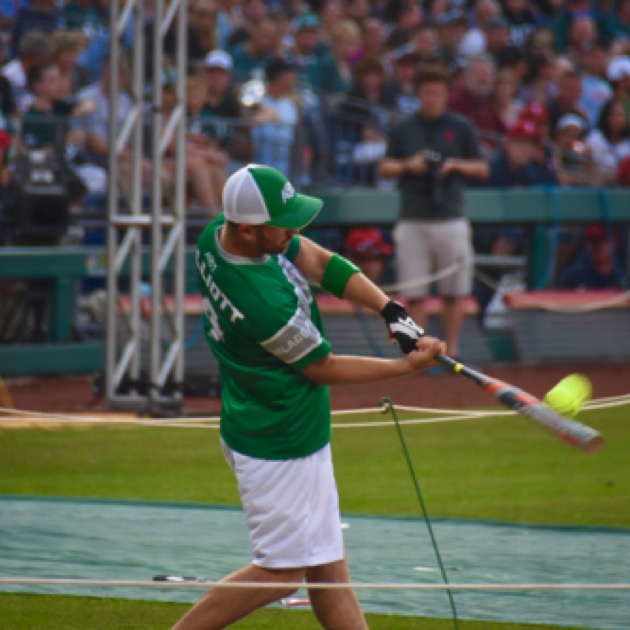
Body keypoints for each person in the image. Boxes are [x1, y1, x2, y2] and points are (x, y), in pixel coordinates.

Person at [172, 163, 445, 630]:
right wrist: (406, 368)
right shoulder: (261, 300)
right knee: (279, 575)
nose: (295, 230)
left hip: (284, 424)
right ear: (248, 229)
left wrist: (390, 309)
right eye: (285, 223)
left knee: (329, 572)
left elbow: (318, 261)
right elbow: (322, 366)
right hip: (277, 441)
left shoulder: (221, 233)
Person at [379, 64, 489, 359]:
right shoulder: (404, 128)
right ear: (419, 95)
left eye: (438, 93)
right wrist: (409, 165)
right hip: (413, 217)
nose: (432, 98)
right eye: (427, 93)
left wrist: (454, 165)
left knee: (454, 291)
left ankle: (451, 350)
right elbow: (385, 167)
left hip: (450, 217)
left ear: (446, 95)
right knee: (415, 292)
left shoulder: (461, 127)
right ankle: (421, 351)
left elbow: (481, 167)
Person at [557, 223, 627, 290]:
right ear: (586, 243)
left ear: (615, 242)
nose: (598, 246)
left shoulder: (624, 276)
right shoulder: (573, 276)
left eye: (604, 240)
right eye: (593, 240)